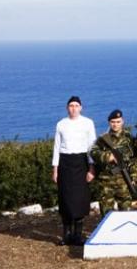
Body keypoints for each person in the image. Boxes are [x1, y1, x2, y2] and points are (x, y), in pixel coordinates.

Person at [51, 96, 96, 246]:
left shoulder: (88, 123)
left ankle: (78, 235)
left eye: (76, 105)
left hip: (81, 162)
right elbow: (57, 147)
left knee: (80, 200)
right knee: (65, 199)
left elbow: (92, 147)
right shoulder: (61, 124)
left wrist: (91, 168)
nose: (74, 108)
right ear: (67, 108)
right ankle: (66, 236)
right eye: (71, 105)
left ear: (81, 108)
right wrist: (55, 169)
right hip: (65, 163)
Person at [90, 109, 137, 214]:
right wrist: (108, 156)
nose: (115, 124)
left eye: (118, 122)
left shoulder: (129, 138)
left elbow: (135, 159)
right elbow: (93, 152)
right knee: (106, 214)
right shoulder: (103, 139)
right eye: (113, 122)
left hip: (124, 181)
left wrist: (134, 177)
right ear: (109, 123)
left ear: (122, 121)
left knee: (125, 213)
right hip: (106, 182)